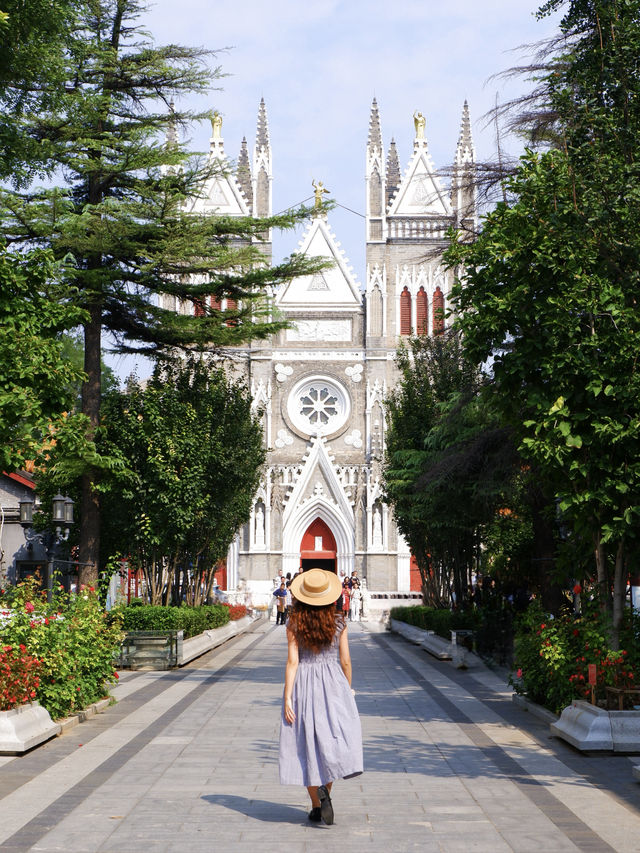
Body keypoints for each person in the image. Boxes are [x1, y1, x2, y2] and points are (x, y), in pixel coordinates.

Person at [279, 568, 363, 825]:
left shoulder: (294, 623)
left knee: (305, 743)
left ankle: (316, 805)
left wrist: (287, 698)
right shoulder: (339, 622)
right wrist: (346, 690)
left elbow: (293, 662)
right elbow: (346, 661)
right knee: (330, 742)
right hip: (334, 683)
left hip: (304, 683)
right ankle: (324, 795)